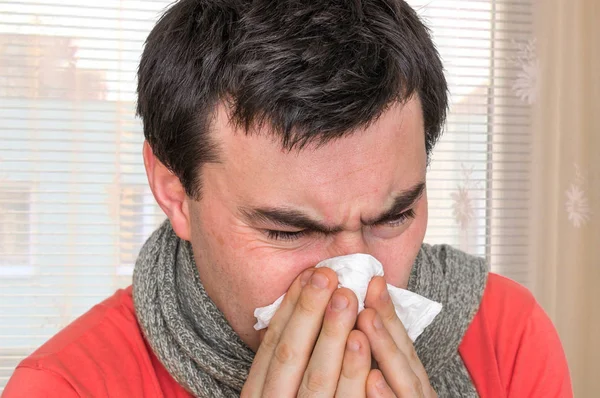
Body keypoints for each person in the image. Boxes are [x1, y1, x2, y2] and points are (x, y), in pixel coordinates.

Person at [3, 0, 572, 397]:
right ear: (174, 190)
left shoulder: (507, 333)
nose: (354, 280)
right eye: (286, 231)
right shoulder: (64, 387)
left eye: (394, 216)